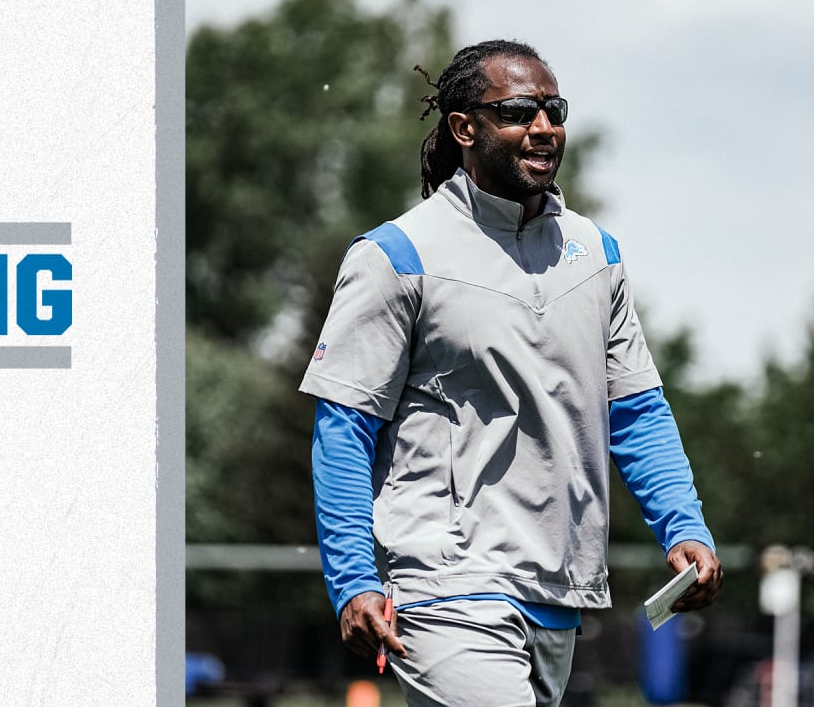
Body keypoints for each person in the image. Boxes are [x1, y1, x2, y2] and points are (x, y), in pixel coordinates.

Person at [298, 39, 723, 706]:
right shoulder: (396, 255)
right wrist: (353, 580)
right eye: (520, 110)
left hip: (559, 595)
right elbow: (343, 431)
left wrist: (684, 526)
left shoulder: (596, 254)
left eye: (554, 110)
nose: (545, 127)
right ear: (465, 127)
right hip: (444, 587)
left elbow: (637, 412)